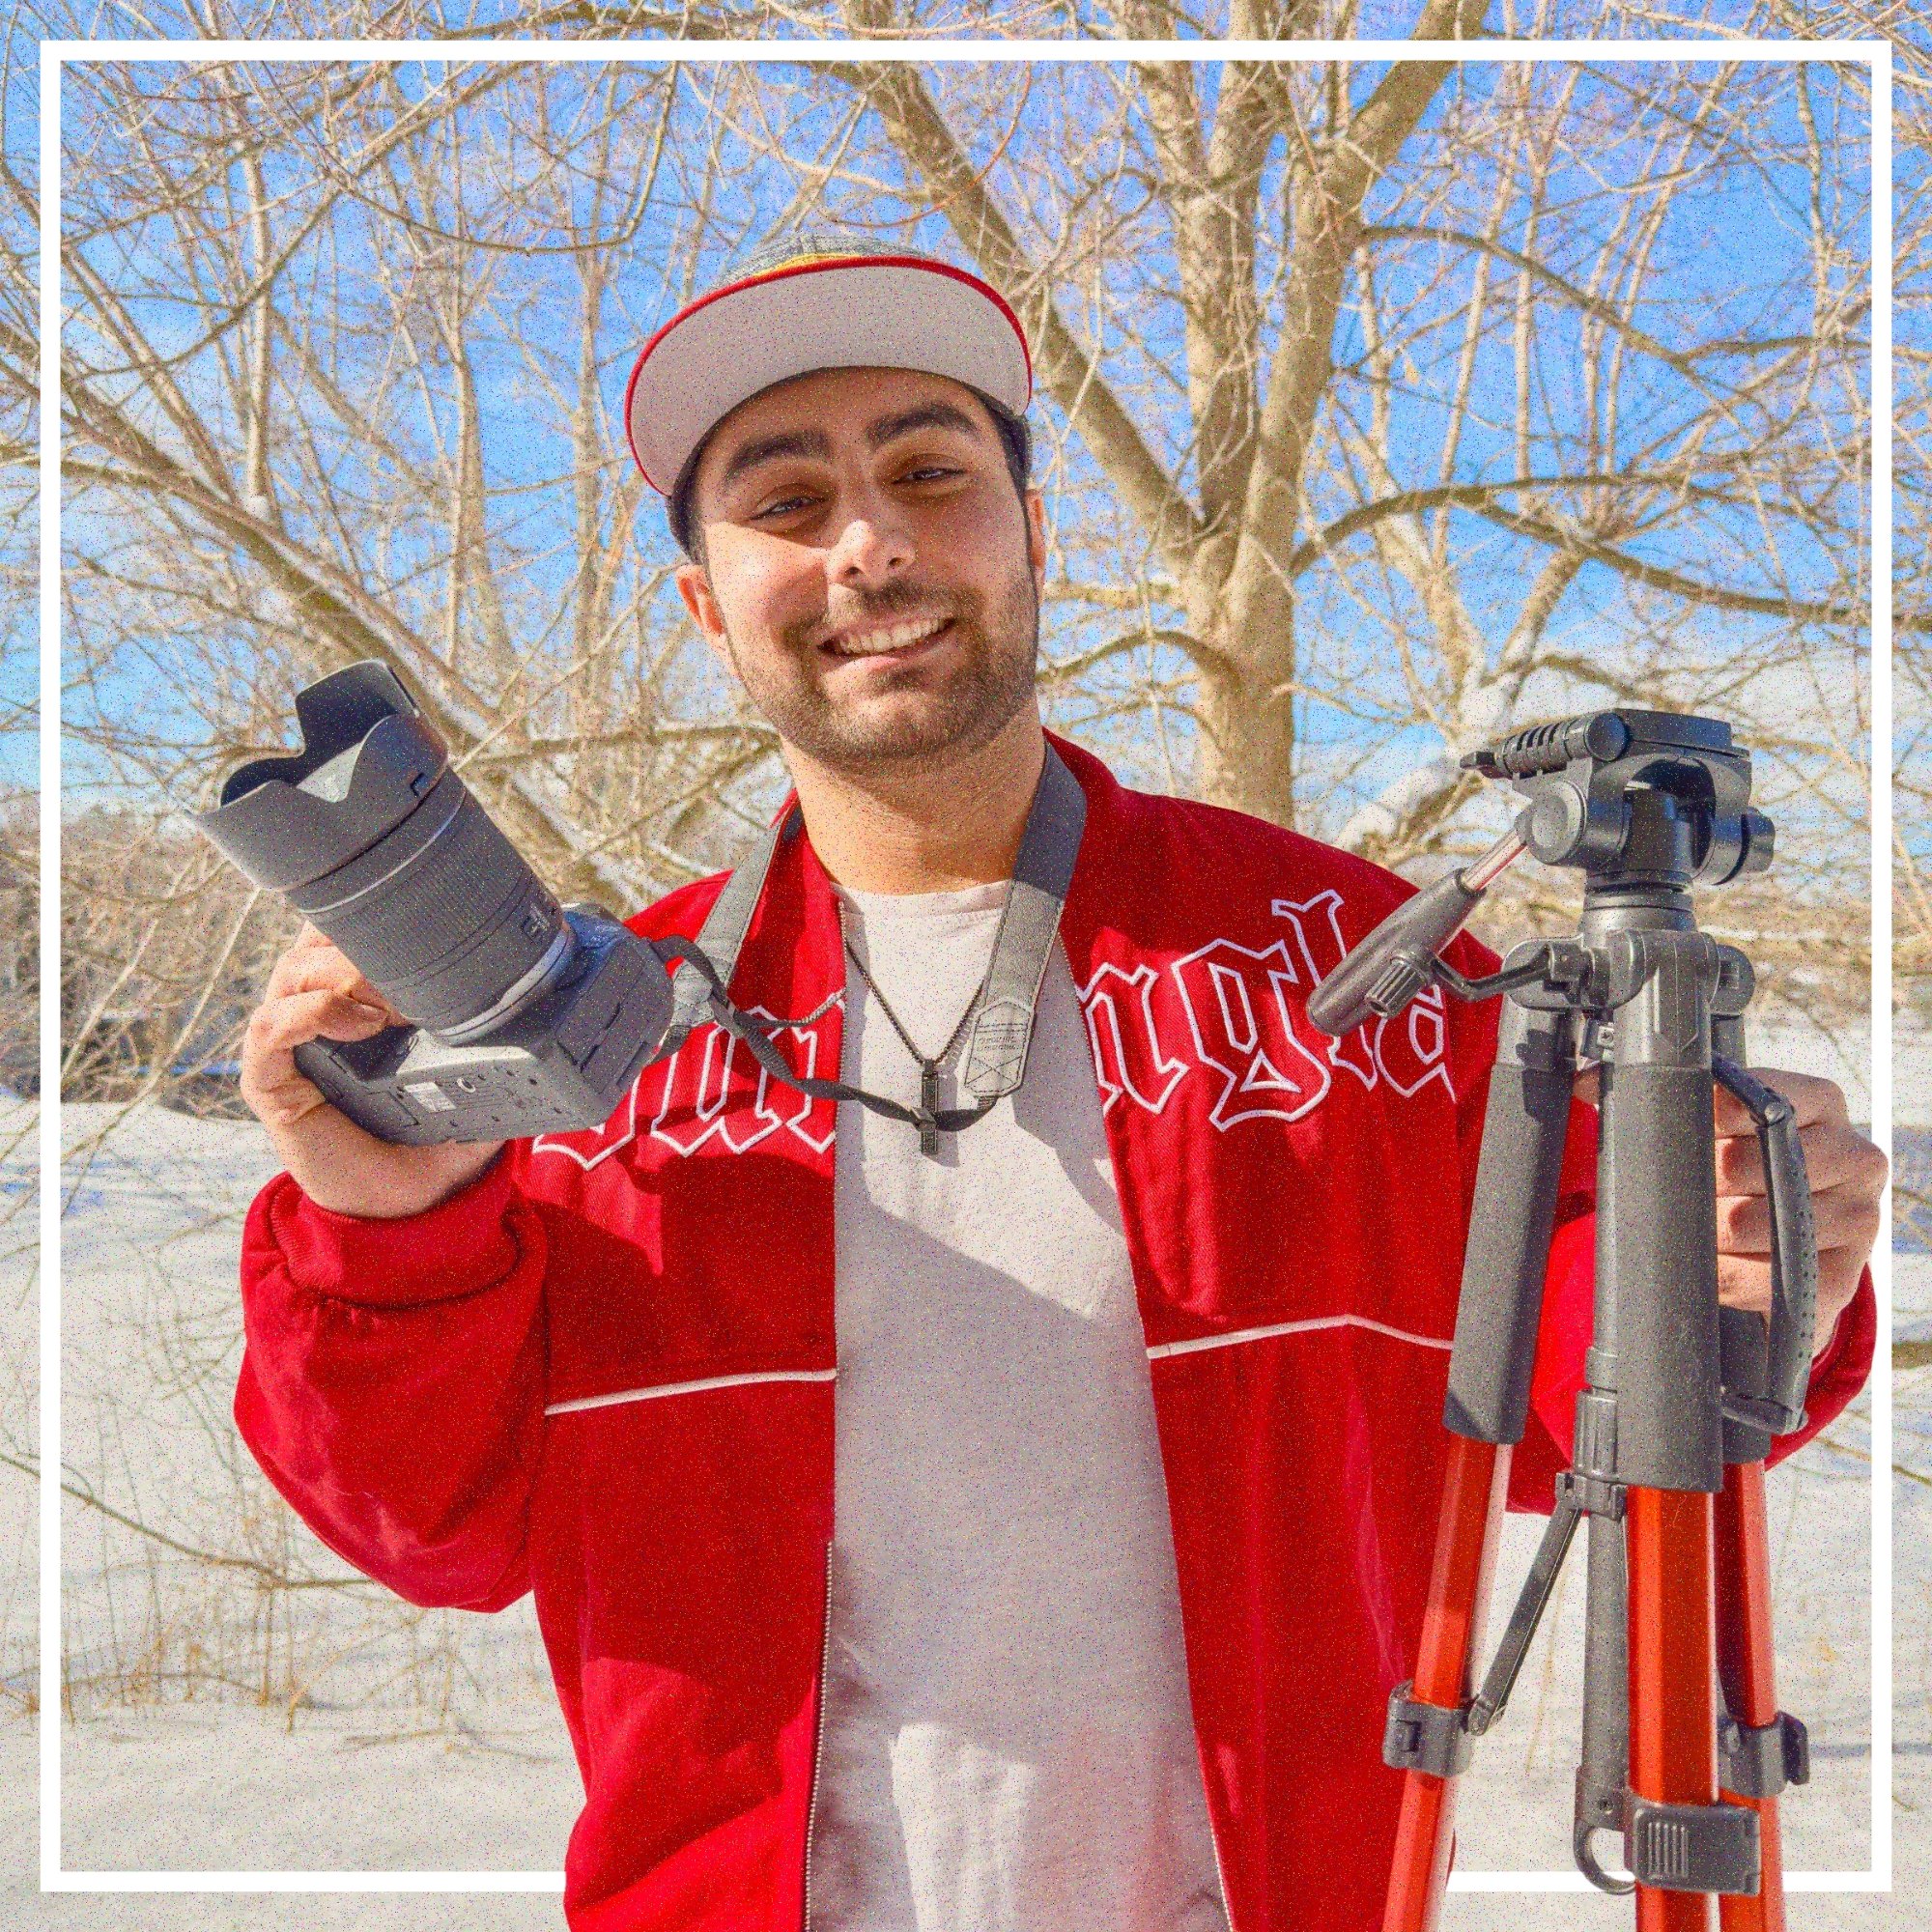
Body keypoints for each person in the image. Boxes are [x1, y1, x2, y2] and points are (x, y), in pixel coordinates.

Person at [233, 235, 1884, 1932]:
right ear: (702, 603)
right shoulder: (588, 1047)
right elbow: (432, 1530)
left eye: (930, 473)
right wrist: (382, 1219)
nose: (868, 542)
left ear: (1035, 538)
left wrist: (1755, 1268)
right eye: (787, 505)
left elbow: (1582, 1385)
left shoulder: (1351, 967)